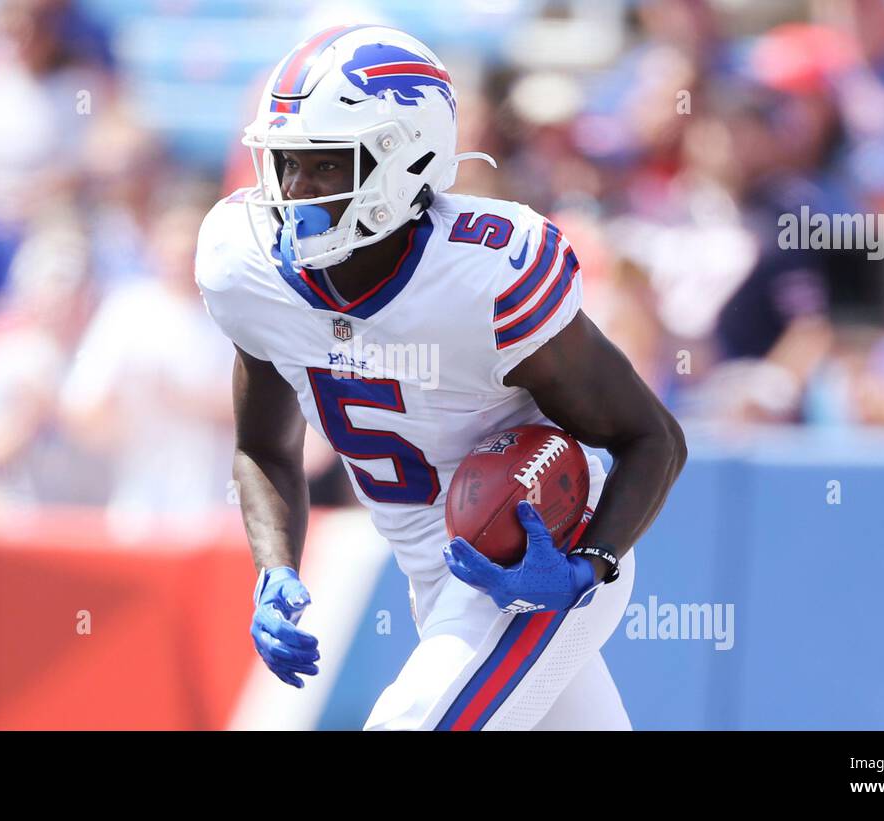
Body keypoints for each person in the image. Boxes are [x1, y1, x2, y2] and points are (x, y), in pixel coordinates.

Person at [196, 26, 685, 730]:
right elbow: (264, 448)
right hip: (436, 579)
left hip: (539, 550)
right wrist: (275, 569)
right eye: (288, 166)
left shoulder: (486, 277)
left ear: (407, 160)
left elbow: (652, 436)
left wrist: (590, 565)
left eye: (327, 167)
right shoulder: (247, 268)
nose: (297, 193)